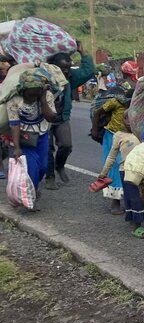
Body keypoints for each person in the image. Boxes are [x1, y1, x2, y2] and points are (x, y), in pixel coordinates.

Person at [7, 69, 62, 208]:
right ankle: (29, 198)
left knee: (43, 167)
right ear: (23, 91)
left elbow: (51, 117)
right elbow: (14, 124)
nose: (32, 97)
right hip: (24, 138)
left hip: (42, 135)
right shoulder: (14, 99)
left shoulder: (46, 96)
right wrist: (17, 147)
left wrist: (42, 99)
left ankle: (31, 191)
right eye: (30, 94)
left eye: (35, 94)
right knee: (31, 168)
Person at [44, 41, 95, 190]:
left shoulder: (70, 77)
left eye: (68, 68)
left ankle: (59, 166)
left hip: (62, 118)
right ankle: (50, 177)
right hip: (45, 119)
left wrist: (83, 52)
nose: (66, 72)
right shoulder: (44, 75)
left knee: (66, 146)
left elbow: (88, 71)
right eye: (63, 68)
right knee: (47, 149)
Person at [98, 111, 144, 238]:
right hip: (126, 171)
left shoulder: (142, 133)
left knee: (138, 196)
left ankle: (134, 218)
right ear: (123, 120)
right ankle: (138, 225)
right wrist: (104, 173)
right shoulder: (119, 136)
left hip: (141, 170)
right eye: (127, 119)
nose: (130, 122)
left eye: (134, 118)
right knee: (133, 197)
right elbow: (112, 156)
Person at [92, 90, 133, 214]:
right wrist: (94, 130)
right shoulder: (115, 102)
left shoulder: (140, 105)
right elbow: (97, 113)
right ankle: (115, 202)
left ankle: (129, 200)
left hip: (129, 137)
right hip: (112, 136)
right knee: (115, 166)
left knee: (129, 167)